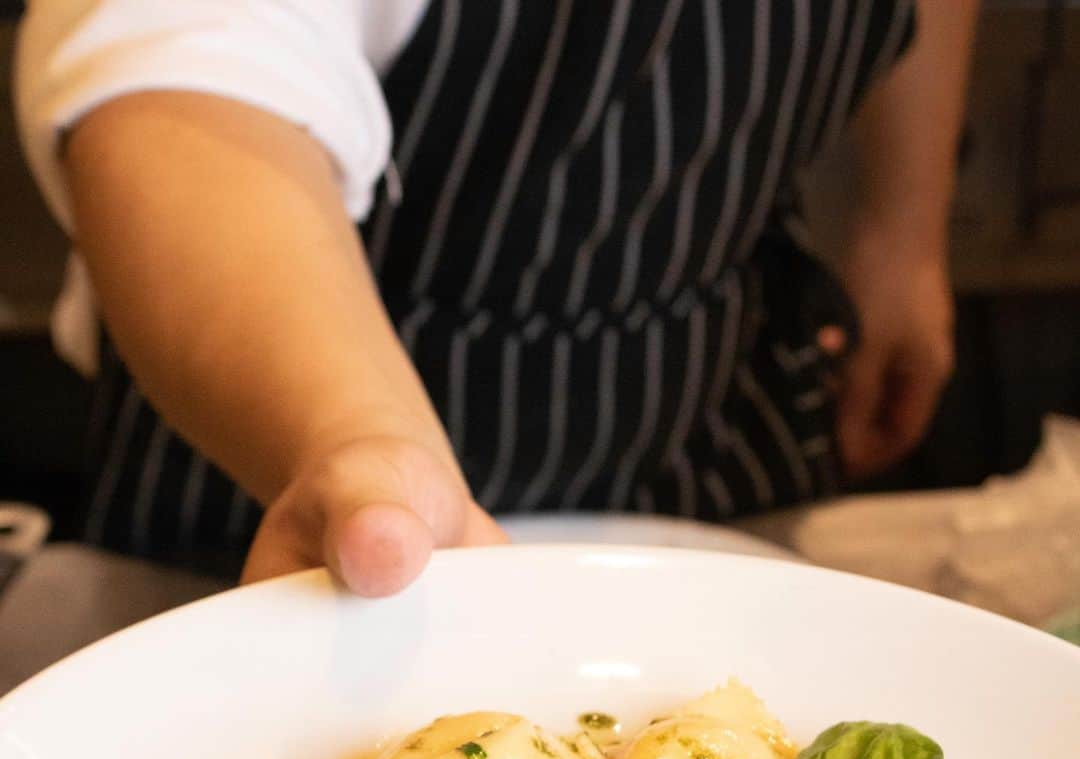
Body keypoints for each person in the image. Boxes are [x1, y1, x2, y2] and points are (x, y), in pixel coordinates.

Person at [16, 0, 977, 595]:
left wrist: (904, 227)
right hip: (291, 433)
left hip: (710, 368)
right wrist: (358, 447)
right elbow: (185, 74)